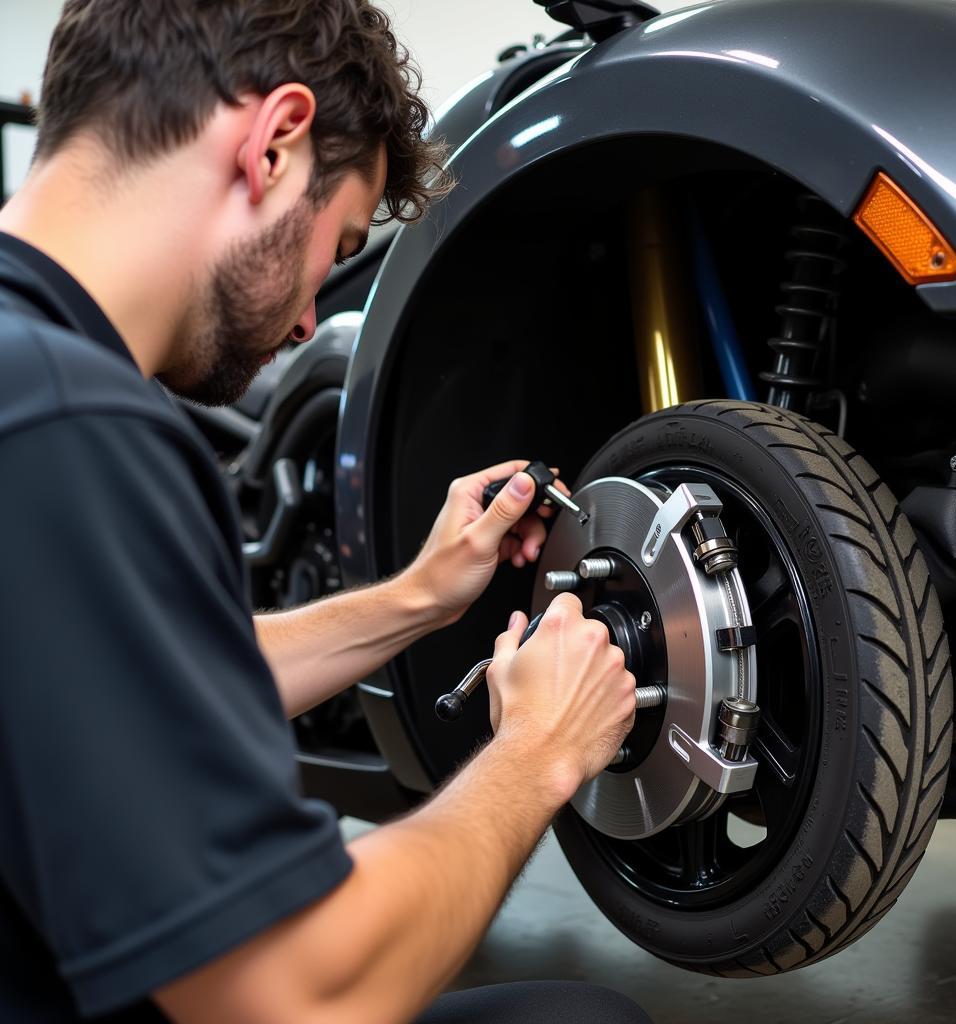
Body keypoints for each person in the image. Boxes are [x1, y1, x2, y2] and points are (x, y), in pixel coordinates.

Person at [0, 2, 653, 1022]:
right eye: (337, 238)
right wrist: (538, 749)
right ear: (273, 144)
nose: (311, 315)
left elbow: (130, 688)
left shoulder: (26, 385)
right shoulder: (72, 424)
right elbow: (299, 993)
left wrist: (414, 600)